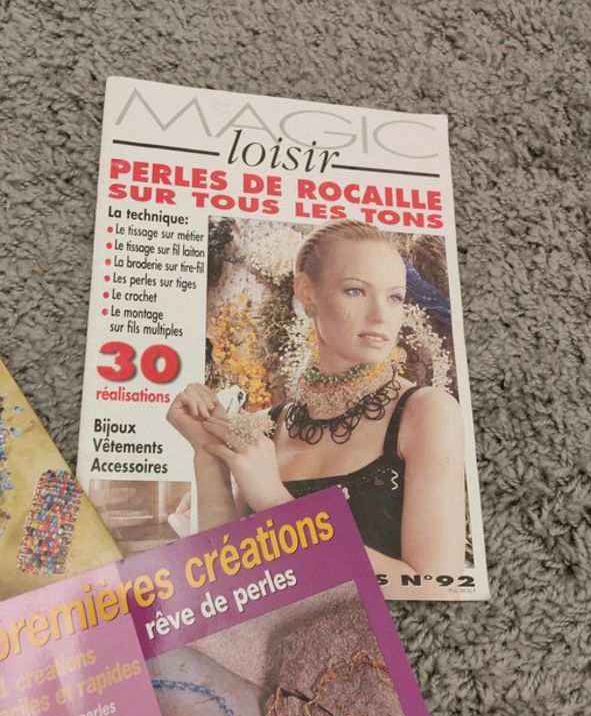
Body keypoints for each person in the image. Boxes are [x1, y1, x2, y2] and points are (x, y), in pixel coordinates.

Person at [167, 220, 465, 583]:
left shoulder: (426, 411)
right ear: (307, 292)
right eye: (356, 291)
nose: (381, 315)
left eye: (395, 297)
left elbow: (436, 585)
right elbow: (222, 580)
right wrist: (206, 452)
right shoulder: (267, 425)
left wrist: (275, 503)